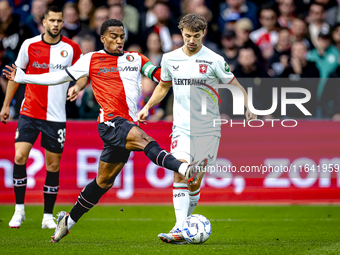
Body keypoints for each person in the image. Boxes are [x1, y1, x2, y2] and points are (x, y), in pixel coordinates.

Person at [3, 19, 206, 243]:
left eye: (121, 36)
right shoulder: (90, 59)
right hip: (110, 122)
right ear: (103, 38)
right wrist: (24, 78)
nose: (119, 40)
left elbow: (160, 76)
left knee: (104, 181)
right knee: (144, 139)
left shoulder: (136, 58)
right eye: (113, 36)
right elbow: (58, 76)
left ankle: (68, 221)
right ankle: (186, 169)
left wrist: (184, 76)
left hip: (127, 123)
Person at [137, 14, 256, 244]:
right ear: (181, 32)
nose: (191, 40)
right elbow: (163, 86)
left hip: (208, 129)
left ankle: (183, 227)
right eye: (187, 35)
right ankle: (180, 228)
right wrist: (147, 108)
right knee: (181, 171)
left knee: (195, 181)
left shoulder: (214, 59)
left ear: (204, 34)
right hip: (181, 126)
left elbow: (234, 85)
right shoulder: (170, 58)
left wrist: (248, 106)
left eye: (196, 36)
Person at [0, 6, 88, 229]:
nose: (57, 24)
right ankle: (19, 210)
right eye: (52, 20)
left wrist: (77, 87)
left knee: (53, 165)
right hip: (29, 111)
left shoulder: (71, 48)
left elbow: (84, 74)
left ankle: (47, 216)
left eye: (59, 21)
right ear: (44, 22)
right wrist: (5, 105)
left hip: (56, 116)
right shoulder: (29, 45)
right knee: (20, 157)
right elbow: (15, 76)